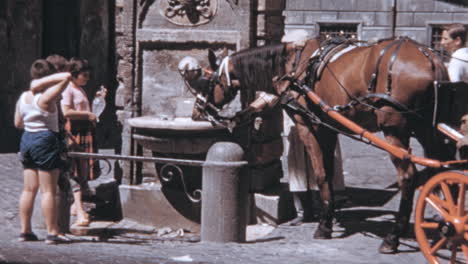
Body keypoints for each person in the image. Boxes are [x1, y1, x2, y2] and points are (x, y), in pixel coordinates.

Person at [14, 59, 72, 244]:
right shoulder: (46, 97)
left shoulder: (23, 97)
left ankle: (25, 231)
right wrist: (41, 83)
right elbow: (67, 76)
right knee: (49, 191)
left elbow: (18, 123)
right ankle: (52, 232)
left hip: (27, 139)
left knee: (28, 189)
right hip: (45, 140)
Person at [60, 57, 107, 227]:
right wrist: (88, 115)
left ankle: (75, 204)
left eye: (88, 75)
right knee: (76, 170)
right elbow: (66, 111)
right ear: (74, 75)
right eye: (84, 75)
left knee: (84, 168)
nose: (87, 78)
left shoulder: (79, 88)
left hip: (85, 130)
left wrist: (97, 101)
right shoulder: (68, 90)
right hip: (76, 131)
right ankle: (78, 207)